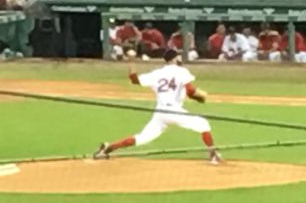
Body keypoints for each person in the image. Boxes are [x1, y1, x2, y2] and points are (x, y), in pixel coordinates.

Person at [93, 49, 222, 165]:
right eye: (178, 56)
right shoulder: (182, 71)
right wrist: (200, 97)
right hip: (173, 111)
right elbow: (190, 91)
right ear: (174, 59)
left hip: (160, 112)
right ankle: (213, 154)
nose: (180, 59)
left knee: (142, 138)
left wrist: (132, 61)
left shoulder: (157, 73)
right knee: (203, 124)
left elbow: (134, 79)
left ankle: (108, 148)